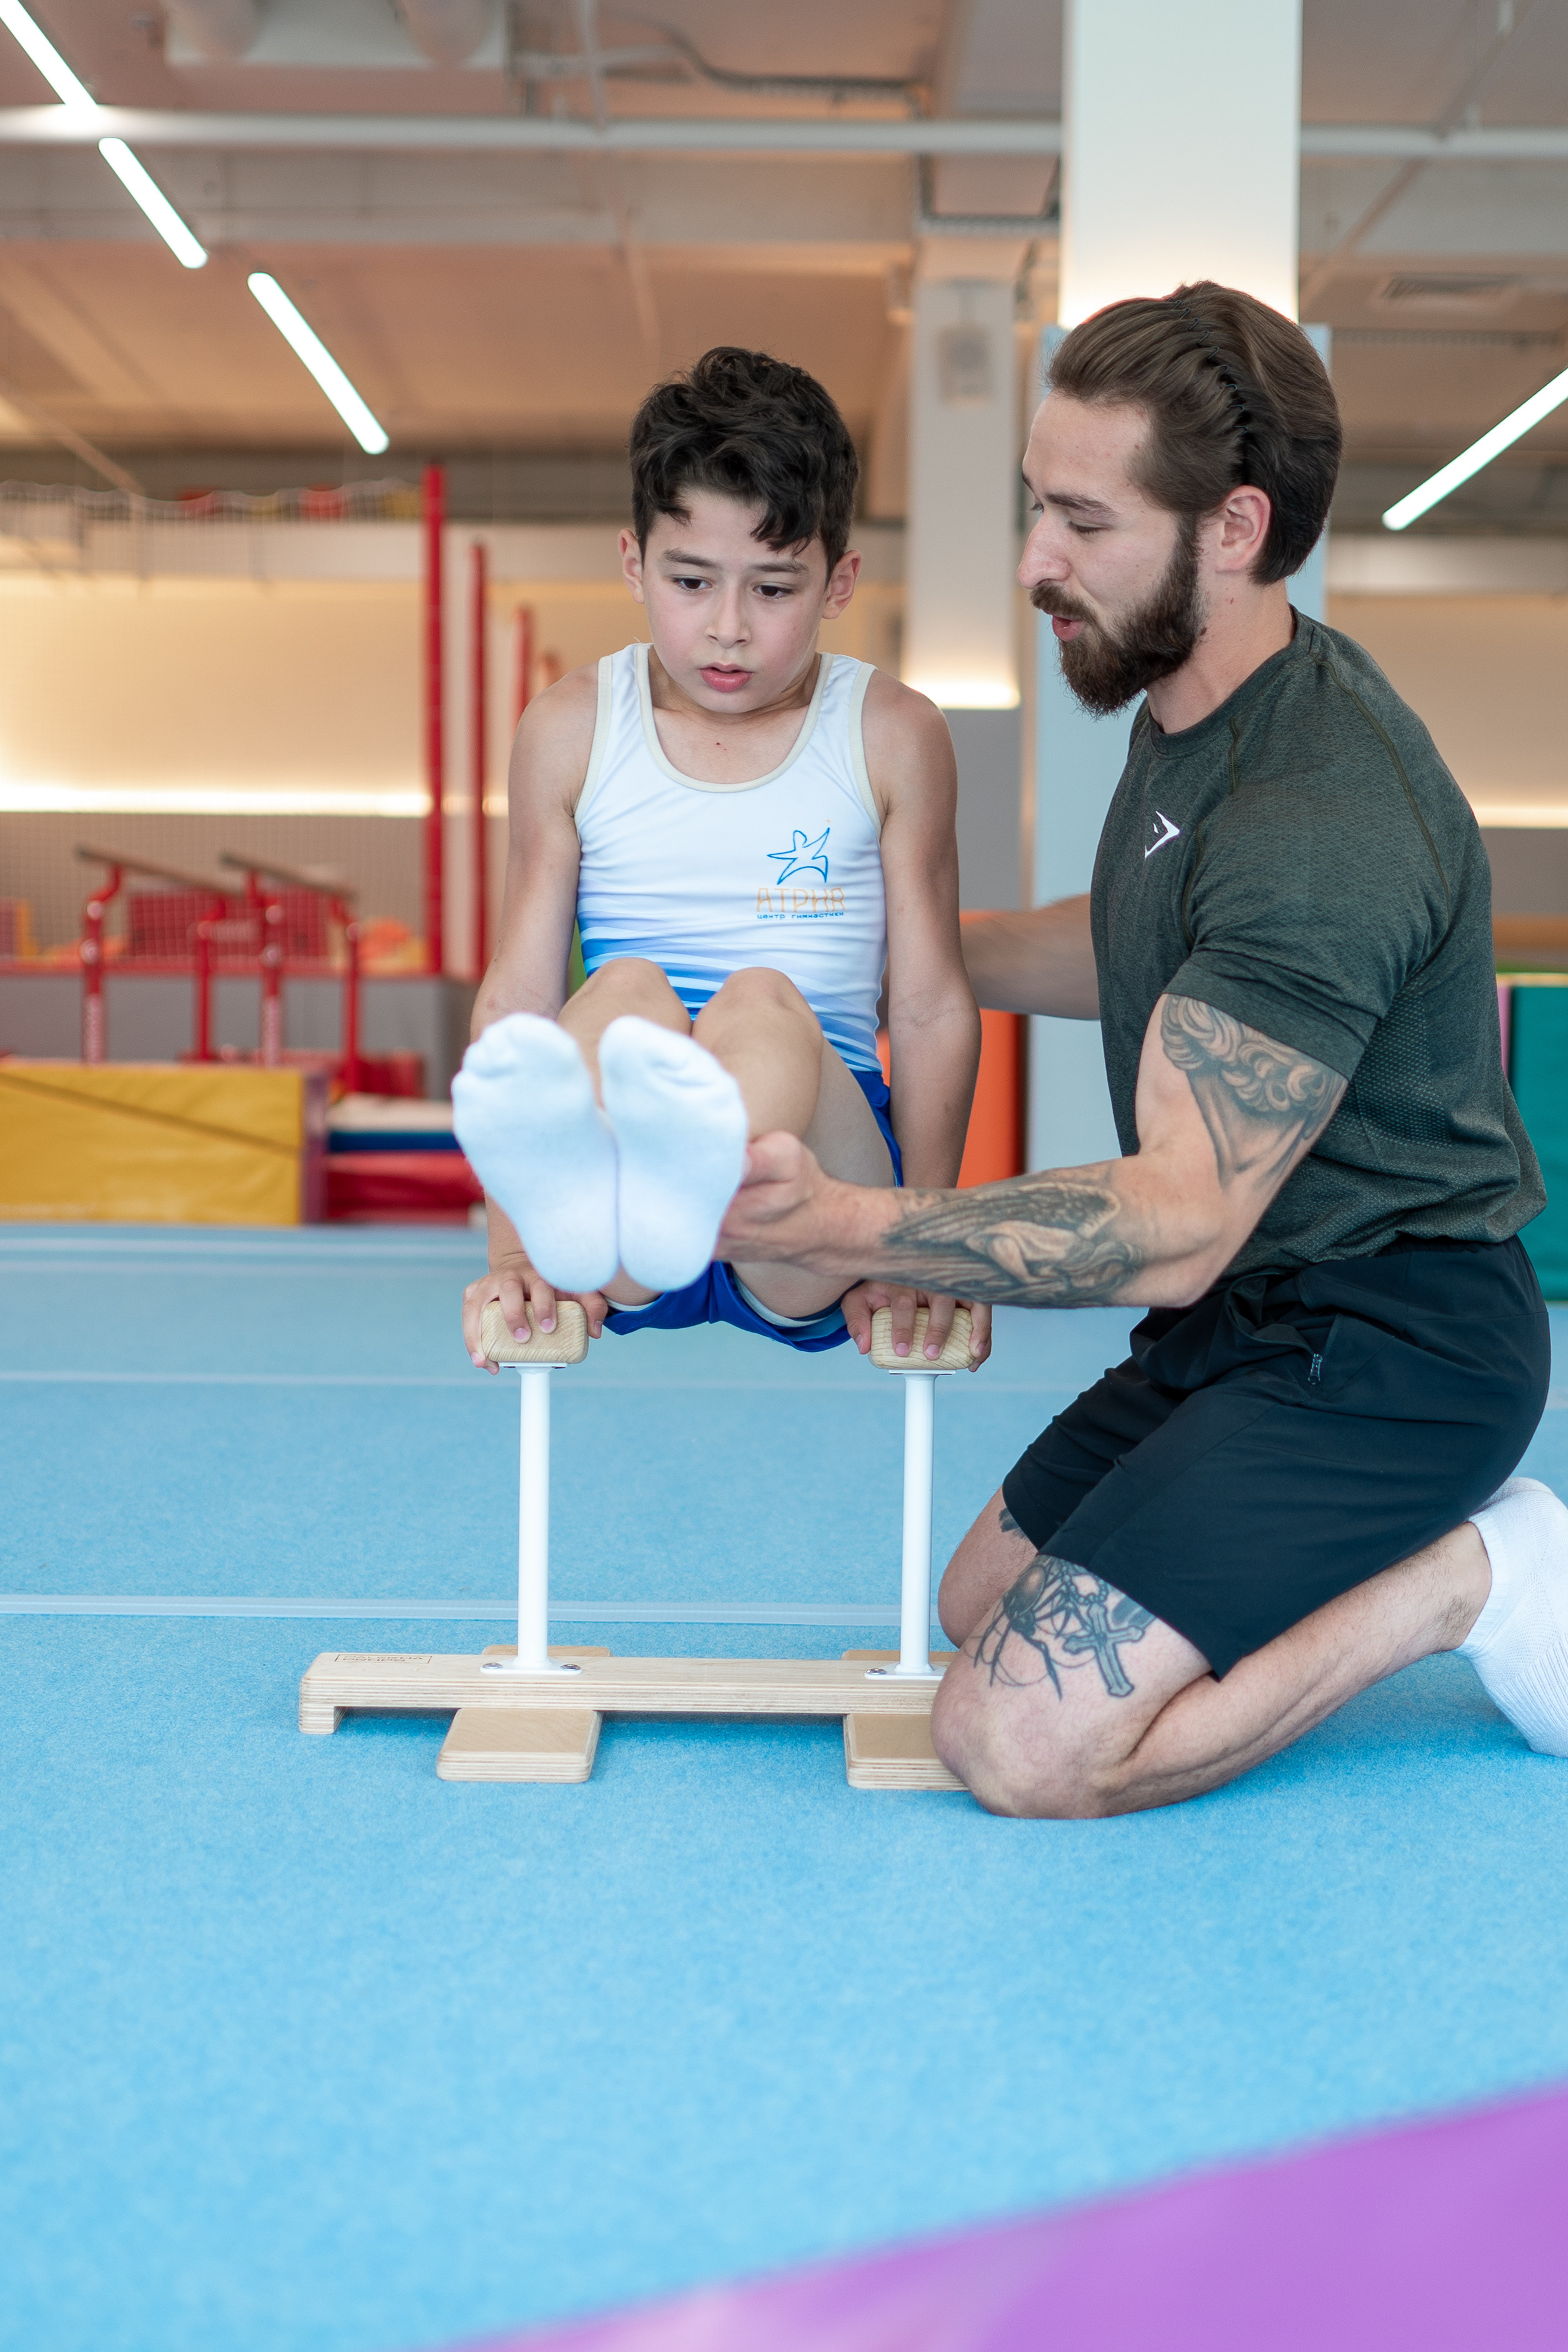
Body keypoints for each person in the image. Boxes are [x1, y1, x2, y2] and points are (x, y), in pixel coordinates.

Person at [720, 281, 1568, 1818]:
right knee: (977, 1606)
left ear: (1231, 530)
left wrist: (850, 1227)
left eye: (1080, 522)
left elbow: (1176, 1221)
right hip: (1252, 1323)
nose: (1037, 563)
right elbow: (1133, 948)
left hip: (1393, 1348)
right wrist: (903, 941)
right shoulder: (1189, 703)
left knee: (1022, 1743)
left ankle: (1477, 1570)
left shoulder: (1323, 811)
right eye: (1035, 509)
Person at [456, 346, 986, 1371]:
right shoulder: (571, 727)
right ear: (632, 562)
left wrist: (922, 1245)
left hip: (802, 1196)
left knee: (758, 1000)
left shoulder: (889, 733)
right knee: (623, 988)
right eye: (690, 581)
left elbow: (926, 1007)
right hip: (610, 1207)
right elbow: (517, 1002)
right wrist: (515, 1249)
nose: (728, 630)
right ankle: (623, 1206)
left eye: (774, 588)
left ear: (839, 580)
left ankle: (678, 1181)